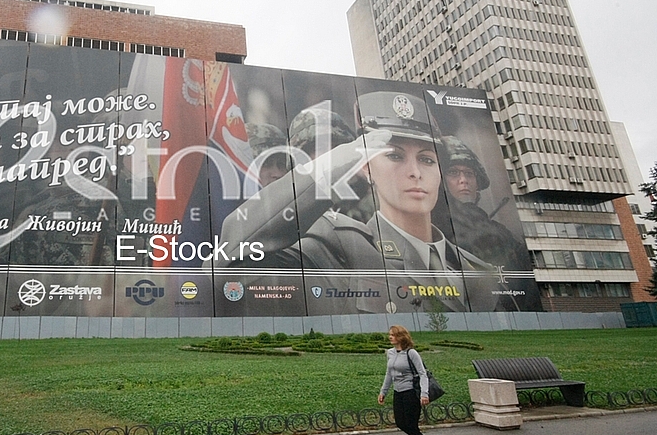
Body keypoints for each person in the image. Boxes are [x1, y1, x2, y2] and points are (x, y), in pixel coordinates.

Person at [217, 90, 496, 312]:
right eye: (395, 155)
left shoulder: (483, 271)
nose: (415, 172)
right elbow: (229, 270)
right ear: (365, 167)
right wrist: (332, 165)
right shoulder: (335, 244)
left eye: (427, 159)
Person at [433, 135, 534, 274]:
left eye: (469, 174)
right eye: (453, 172)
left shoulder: (500, 232)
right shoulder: (433, 226)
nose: (463, 180)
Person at [378, 324, 435, 435]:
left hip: (411, 392)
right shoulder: (390, 353)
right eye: (389, 334)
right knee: (401, 423)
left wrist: (424, 394)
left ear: (401, 337)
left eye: (393, 335)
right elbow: (389, 374)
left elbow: (422, 374)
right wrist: (383, 391)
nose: (390, 337)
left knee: (412, 425)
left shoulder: (412, 353)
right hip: (398, 392)